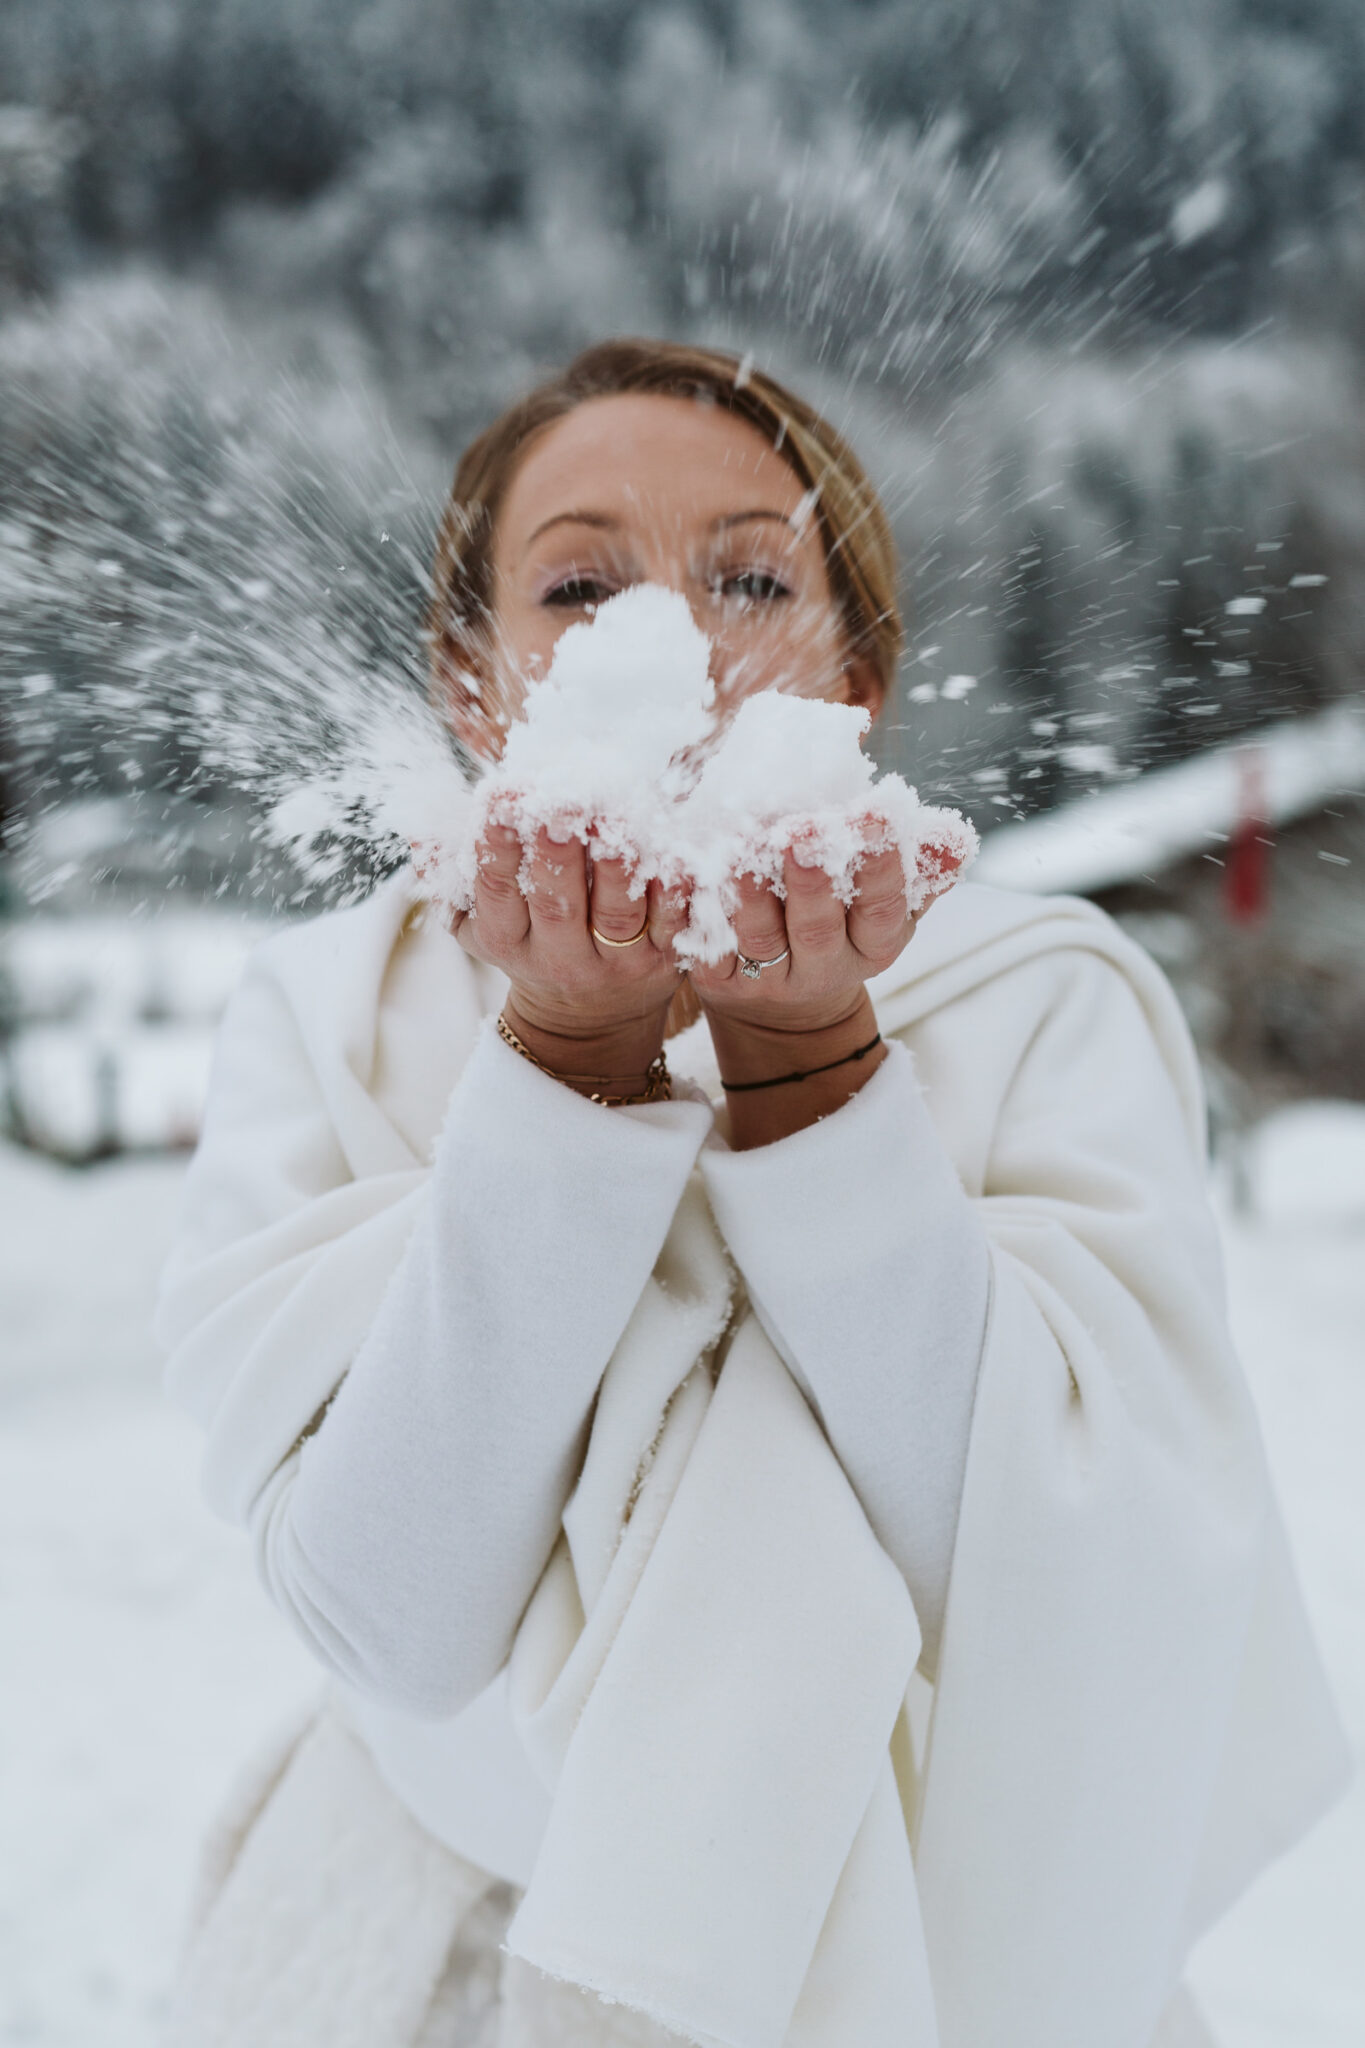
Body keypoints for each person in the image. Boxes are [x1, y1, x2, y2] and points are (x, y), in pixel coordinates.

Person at [156, 340, 1347, 2048]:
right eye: (578, 582)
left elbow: (1056, 1572)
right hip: (448, 1970)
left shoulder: (1037, 998)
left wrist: (812, 1076)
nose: (669, 632)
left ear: (853, 678)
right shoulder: (341, 1017)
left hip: (943, 1963)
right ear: (469, 680)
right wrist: (567, 1066)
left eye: (747, 575)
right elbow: (393, 1624)